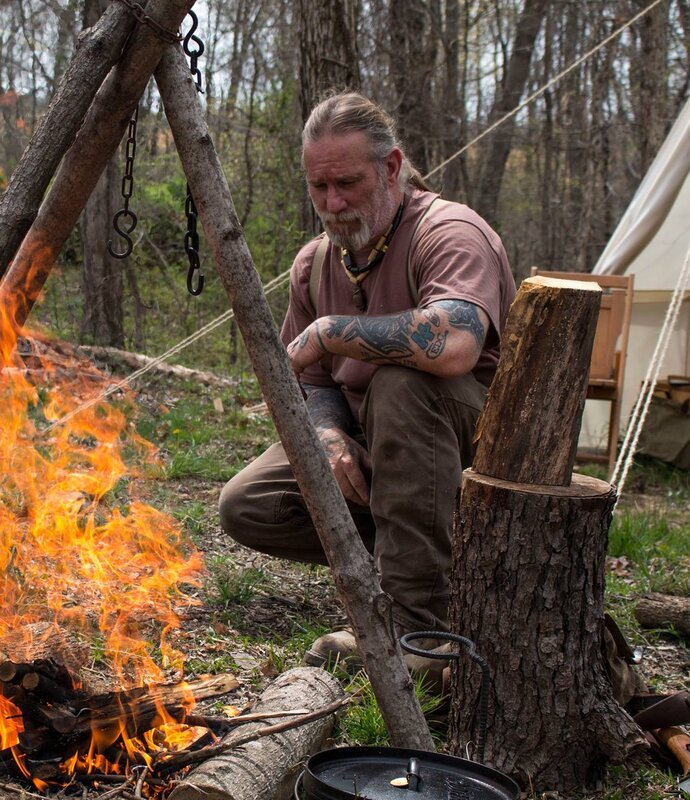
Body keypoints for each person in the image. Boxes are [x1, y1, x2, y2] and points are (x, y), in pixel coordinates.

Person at [219, 92, 516, 654]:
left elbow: (454, 343)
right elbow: (313, 382)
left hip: (467, 446)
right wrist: (329, 438)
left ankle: (420, 629)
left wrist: (333, 332)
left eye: (347, 184)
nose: (332, 204)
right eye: (318, 187)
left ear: (391, 168)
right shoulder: (313, 264)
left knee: (400, 383)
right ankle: (414, 546)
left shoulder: (449, 232)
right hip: (375, 444)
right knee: (248, 505)